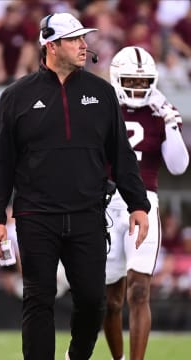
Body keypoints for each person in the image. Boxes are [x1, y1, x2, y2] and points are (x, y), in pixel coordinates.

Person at [0, 12, 151, 360]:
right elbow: (0, 162)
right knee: (38, 299)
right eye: (74, 39)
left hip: (88, 214)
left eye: (83, 38)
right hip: (35, 215)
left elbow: (122, 155)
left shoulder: (102, 93)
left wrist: (138, 204)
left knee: (93, 300)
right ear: (51, 45)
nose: (83, 45)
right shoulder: (16, 97)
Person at [104, 46, 189, 360]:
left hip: (145, 201)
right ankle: (118, 357)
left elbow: (178, 166)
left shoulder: (159, 113)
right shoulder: (103, 106)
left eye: (143, 82)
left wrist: (169, 121)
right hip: (107, 203)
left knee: (139, 289)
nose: (138, 88)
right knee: (110, 298)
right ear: (117, 78)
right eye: (131, 81)